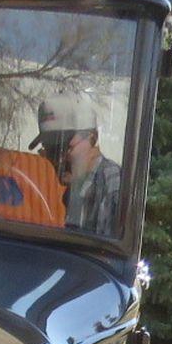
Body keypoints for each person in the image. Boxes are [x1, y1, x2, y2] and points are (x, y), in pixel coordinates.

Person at [36, 93, 123, 236]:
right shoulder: (60, 193)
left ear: (92, 138)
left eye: (65, 146)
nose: (59, 159)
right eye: (51, 149)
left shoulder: (111, 184)